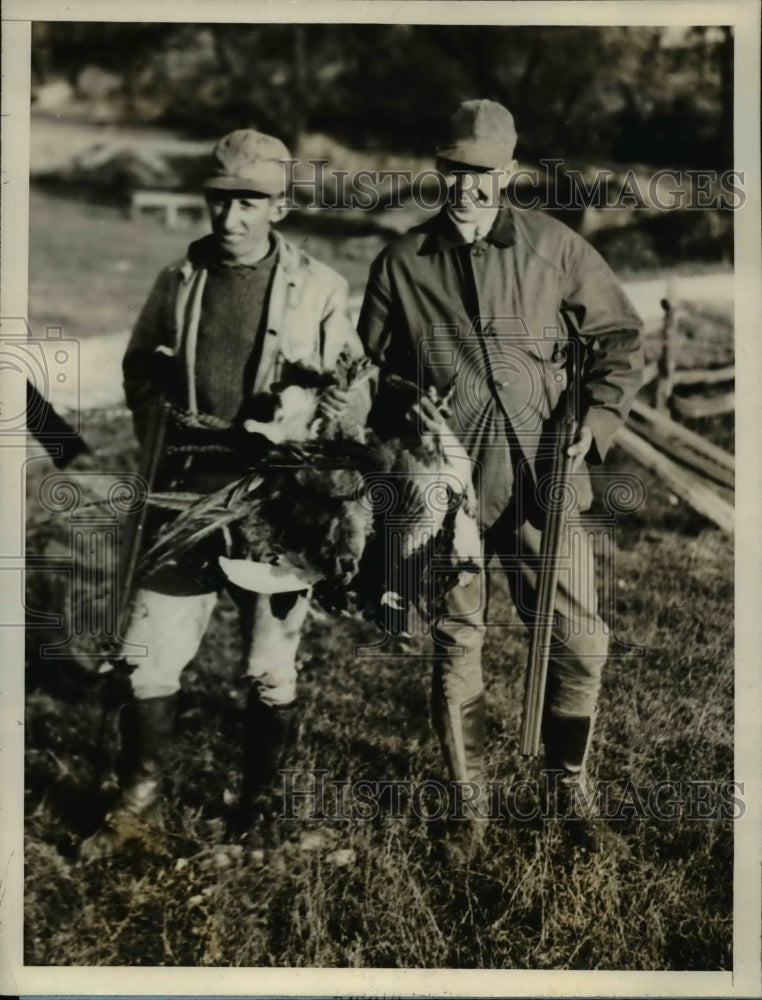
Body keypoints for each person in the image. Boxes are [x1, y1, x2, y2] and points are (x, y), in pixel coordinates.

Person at [357, 100, 644, 859]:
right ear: (439, 168)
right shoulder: (401, 262)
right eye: (454, 171)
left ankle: (568, 785)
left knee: (581, 641)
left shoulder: (557, 250)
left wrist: (600, 422)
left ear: (510, 173)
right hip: (448, 491)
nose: (467, 189)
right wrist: (398, 405)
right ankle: (468, 807)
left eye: (483, 174)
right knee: (457, 644)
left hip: (543, 483)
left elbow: (619, 339)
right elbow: (367, 374)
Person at [84, 129, 369, 856]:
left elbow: (352, 394)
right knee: (148, 657)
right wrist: (164, 427)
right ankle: (135, 812)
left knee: (270, 665)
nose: (229, 218)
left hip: (278, 507)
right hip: (184, 499)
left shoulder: (323, 288)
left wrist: (305, 421)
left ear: (278, 205)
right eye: (219, 200)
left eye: (247, 203)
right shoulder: (178, 280)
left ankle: (258, 808)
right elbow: (139, 366)